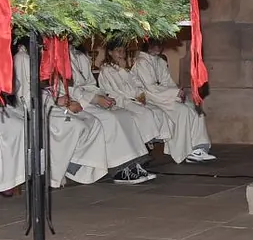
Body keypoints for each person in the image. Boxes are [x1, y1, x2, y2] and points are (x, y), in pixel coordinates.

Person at [12, 43, 108, 188]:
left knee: (93, 122)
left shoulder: (44, 53)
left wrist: (63, 100)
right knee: (75, 126)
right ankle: (57, 172)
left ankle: (76, 165)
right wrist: (57, 102)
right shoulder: (22, 58)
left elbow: (54, 85)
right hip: (37, 109)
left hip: (51, 103)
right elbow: (25, 95)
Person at [69, 45, 156, 184]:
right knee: (110, 119)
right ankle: (119, 170)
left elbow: (91, 84)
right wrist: (95, 99)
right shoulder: (59, 56)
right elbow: (69, 89)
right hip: (76, 102)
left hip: (89, 98)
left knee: (125, 115)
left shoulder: (80, 56)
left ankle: (133, 164)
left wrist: (102, 96)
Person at [131, 40, 215, 163]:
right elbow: (150, 88)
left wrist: (177, 93)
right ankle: (183, 151)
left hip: (163, 96)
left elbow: (167, 82)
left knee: (196, 110)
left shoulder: (160, 61)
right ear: (148, 45)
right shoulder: (141, 62)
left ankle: (198, 148)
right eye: (154, 44)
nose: (158, 47)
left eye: (160, 44)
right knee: (183, 111)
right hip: (150, 97)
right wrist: (174, 93)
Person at [98, 42, 173, 148]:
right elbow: (120, 89)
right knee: (145, 113)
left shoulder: (124, 67)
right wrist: (123, 70)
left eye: (123, 51)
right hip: (120, 100)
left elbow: (136, 82)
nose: (121, 53)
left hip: (133, 98)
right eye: (118, 51)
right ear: (110, 52)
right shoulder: (107, 69)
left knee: (158, 111)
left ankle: (155, 137)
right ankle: (144, 141)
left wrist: (140, 93)